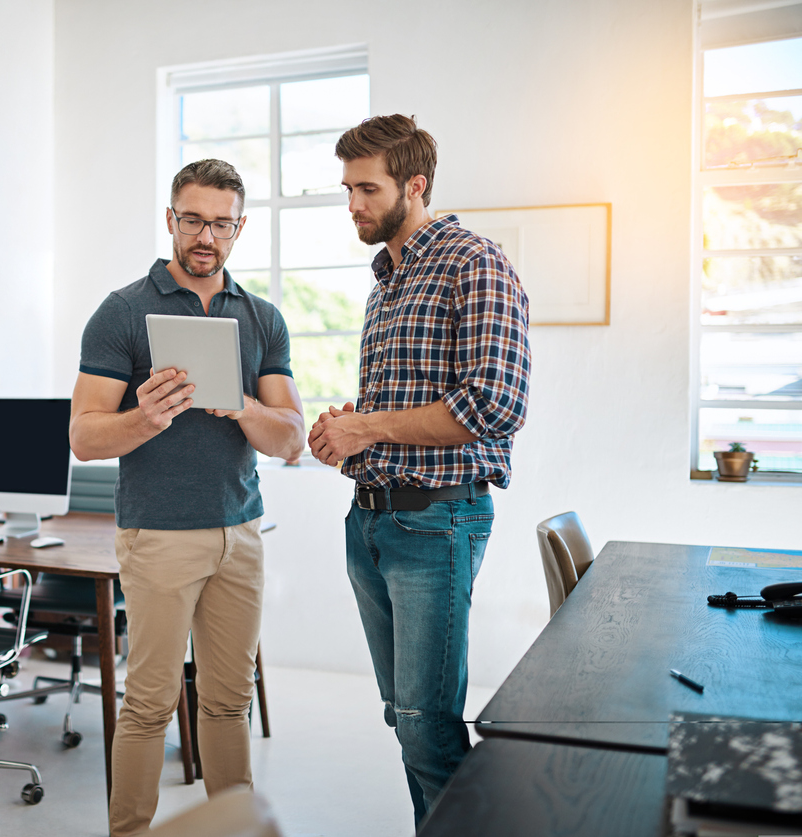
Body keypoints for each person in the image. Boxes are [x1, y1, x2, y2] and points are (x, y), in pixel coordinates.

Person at [70, 159, 306, 837]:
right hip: (159, 536)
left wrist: (235, 404)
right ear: (171, 220)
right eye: (195, 220)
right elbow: (84, 436)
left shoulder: (261, 318)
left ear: (240, 228)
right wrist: (145, 416)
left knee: (228, 703)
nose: (208, 236)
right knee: (148, 703)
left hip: (240, 531)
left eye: (222, 223)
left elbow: (290, 437)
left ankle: (235, 826)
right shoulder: (121, 312)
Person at [308, 115, 531, 826]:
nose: (353, 205)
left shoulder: (474, 262)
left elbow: (494, 402)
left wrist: (367, 426)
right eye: (347, 189)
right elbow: (400, 411)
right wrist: (344, 432)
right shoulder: (385, 283)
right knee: (407, 721)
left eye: (366, 188)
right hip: (371, 519)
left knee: (428, 727)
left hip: (435, 521)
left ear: (416, 184)